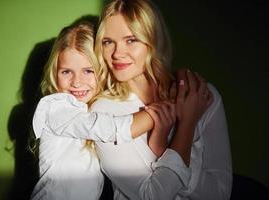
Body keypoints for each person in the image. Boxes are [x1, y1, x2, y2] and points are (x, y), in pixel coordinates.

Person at [92, 0, 233, 199]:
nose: (117, 53)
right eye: (108, 42)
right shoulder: (103, 112)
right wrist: (186, 125)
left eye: (131, 40)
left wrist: (163, 151)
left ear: (154, 40)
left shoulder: (203, 95)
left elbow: (220, 194)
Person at [30, 17, 176, 200]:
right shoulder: (55, 108)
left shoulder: (96, 108)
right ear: (55, 72)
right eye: (66, 72)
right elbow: (108, 129)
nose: (76, 82)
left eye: (88, 71)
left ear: (102, 71)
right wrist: (166, 109)